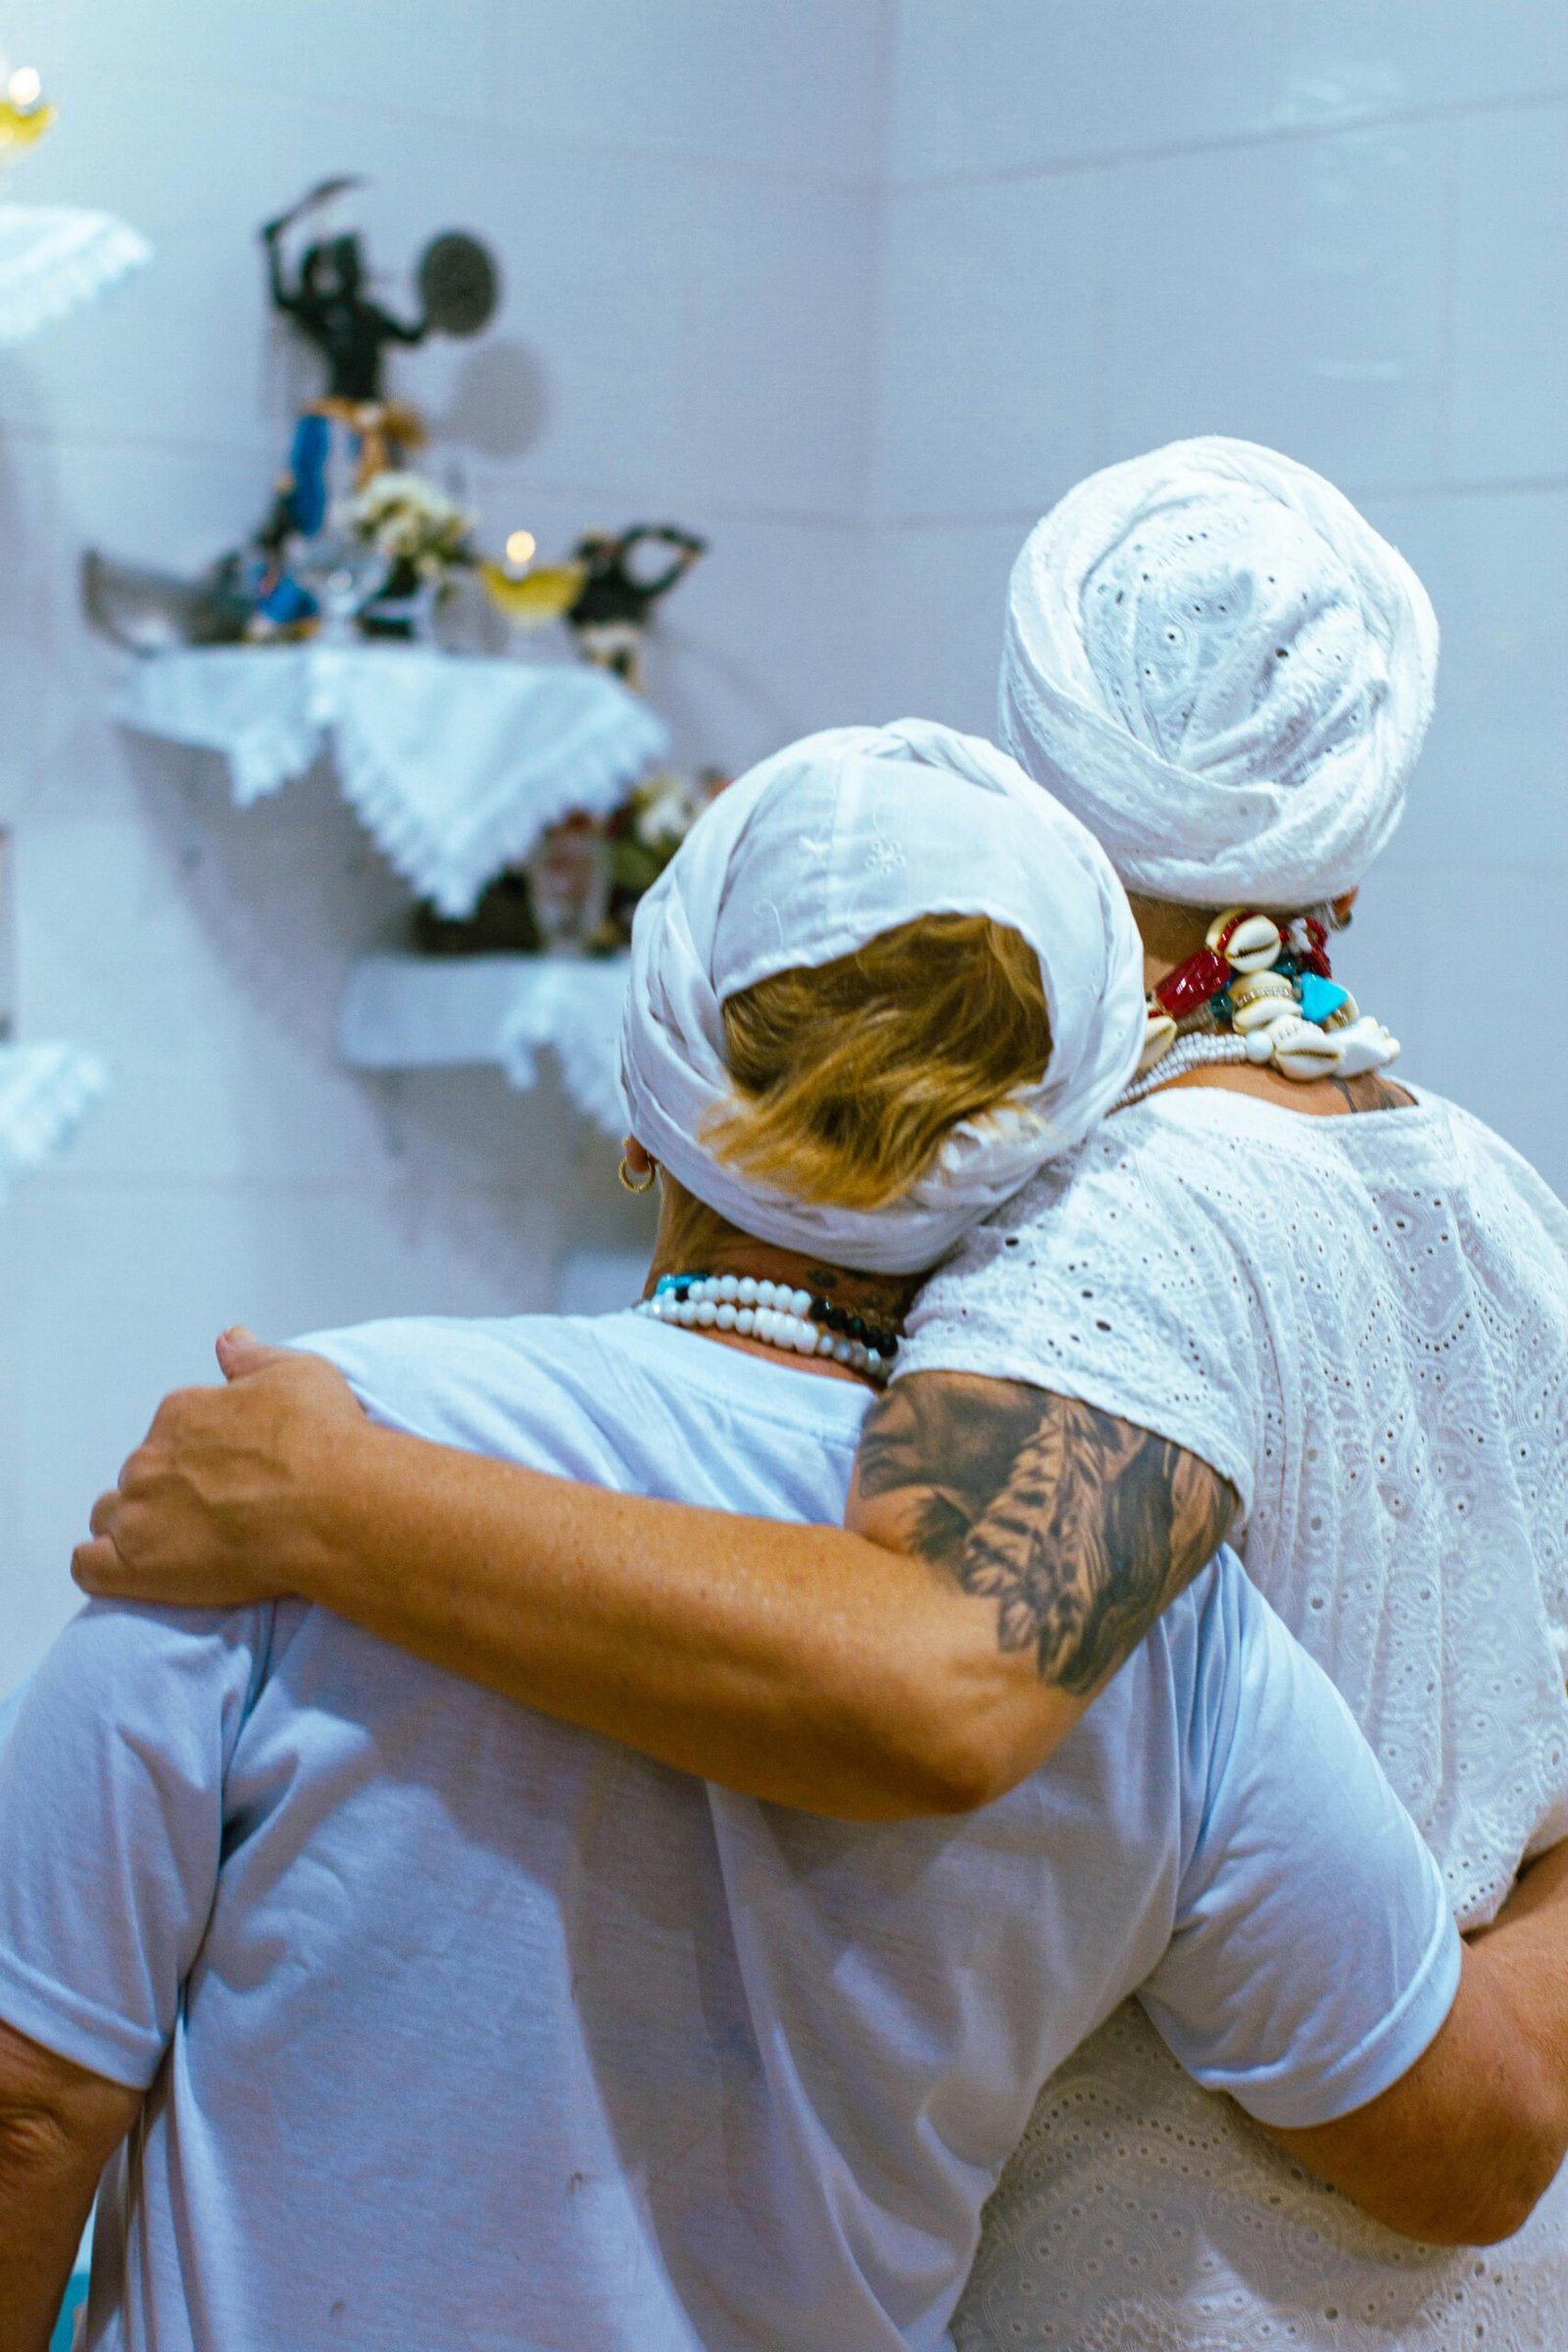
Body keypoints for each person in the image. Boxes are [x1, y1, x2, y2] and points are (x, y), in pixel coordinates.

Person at [76, 453, 1568, 2341]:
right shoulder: (1496, 1202)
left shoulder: (1118, 1221)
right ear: (1358, 823)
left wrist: (327, 1495)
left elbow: (933, 1680)